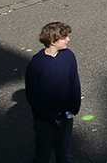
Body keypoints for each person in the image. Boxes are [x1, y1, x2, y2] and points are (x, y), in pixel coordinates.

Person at [25, 22, 81, 163]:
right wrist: (48, 116)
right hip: (45, 119)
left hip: (65, 114)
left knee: (65, 153)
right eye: (64, 37)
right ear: (53, 41)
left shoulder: (68, 56)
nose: (68, 39)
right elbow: (32, 95)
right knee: (43, 153)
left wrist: (75, 107)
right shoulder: (36, 64)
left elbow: (74, 81)